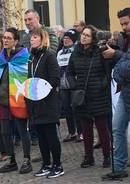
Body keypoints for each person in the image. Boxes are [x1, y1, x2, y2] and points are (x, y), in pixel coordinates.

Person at [67, 25, 111, 168]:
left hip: (99, 95)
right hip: (82, 96)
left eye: (87, 35)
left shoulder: (100, 51)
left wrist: (102, 85)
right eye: (83, 34)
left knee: (102, 128)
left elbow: (108, 72)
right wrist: (75, 85)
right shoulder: (76, 52)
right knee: (86, 129)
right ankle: (89, 157)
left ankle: (106, 156)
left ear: (93, 39)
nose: (83, 36)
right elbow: (69, 72)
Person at [0, 27, 32, 174]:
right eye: (4, 38)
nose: (5, 40)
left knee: (22, 131)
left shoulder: (24, 56)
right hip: (2, 100)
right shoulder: (0, 57)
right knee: (5, 132)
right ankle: (12, 160)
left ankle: (27, 160)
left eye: (9, 38)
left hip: (18, 99)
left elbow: (27, 77)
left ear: (15, 40)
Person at [26, 28, 64, 178]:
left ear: (43, 39)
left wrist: (41, 90)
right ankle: (46, 164)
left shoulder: (49, 56)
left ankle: (57, 164)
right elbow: (30, 78)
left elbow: (55, 79)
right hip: (35, 103)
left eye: (35, 37)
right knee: (41, 136)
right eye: (31, 38)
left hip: (47, 102)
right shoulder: (31, 57)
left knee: (50, 135)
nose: (32, 40)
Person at [102, 7, 130, 179]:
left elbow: (126, 67)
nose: (124, 27)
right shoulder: (122, 39)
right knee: (117, 127)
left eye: (127, 23)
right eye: (122, 24)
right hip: (125, 91)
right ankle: (119, 167)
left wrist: (117, 55)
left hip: (125, 85)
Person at [57, 29, 82, 142]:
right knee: (67, 110)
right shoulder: (59, 52)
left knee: (76, 109)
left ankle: (80, 133)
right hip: (63, 85)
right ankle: (72, 132)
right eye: (64, 39)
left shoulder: (76, 51)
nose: (65, 40)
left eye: (68, 39)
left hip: (74, 85)